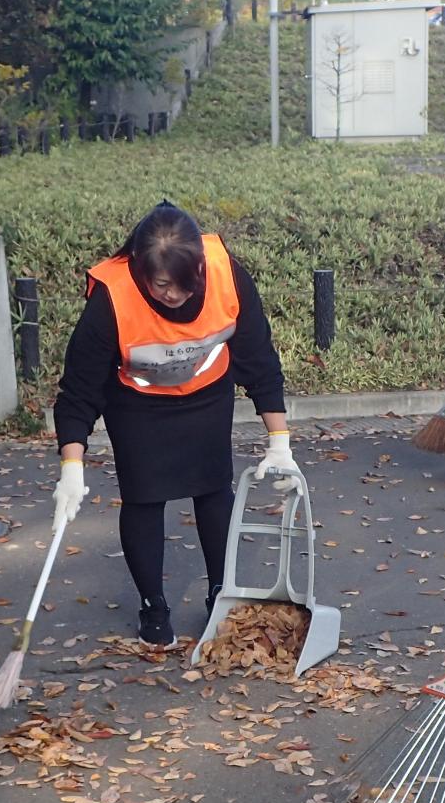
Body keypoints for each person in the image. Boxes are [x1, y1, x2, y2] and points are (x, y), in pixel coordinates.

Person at [51, 203, 297, 646]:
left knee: (213, 487)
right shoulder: (114, 295)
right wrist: (72, 466)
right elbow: (79, 390)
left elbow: (258, 358)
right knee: (144, 498)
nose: (175, 296)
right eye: (163, 284)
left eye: (186, 283)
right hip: (138, 403)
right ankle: (153, 606)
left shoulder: (226, 274)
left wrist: (279, 442)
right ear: (141, 269)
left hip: (206, 393)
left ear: (200, 267)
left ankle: (221, 594)